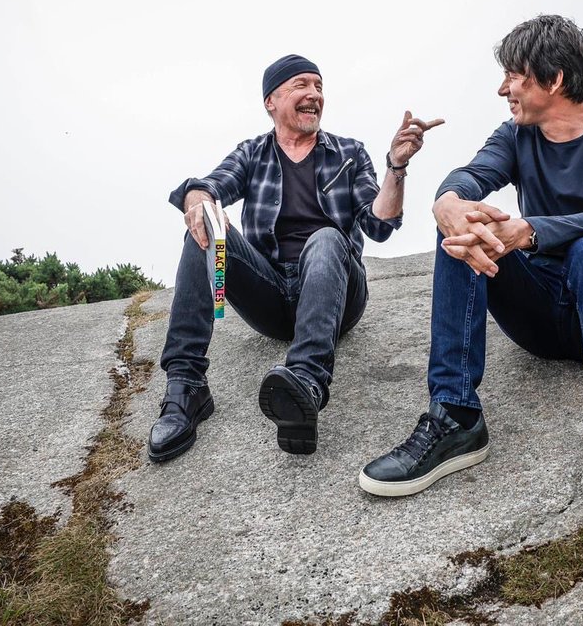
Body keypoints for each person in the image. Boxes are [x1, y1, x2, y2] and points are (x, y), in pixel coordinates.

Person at [358, 17, 583, 626]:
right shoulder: (515, 135)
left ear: (553, 78)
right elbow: (469, 177)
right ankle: (455, 415)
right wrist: (450, 203)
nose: (503, 90)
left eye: (513, 77)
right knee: (461, 229)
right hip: (543, 317)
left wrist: (528, 232)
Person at [152, 54, 441, 461]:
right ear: (271, 101)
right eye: (301, 86)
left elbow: (378, 224)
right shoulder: (252, 153)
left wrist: (396, 167)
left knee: (325, 237)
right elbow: (209, 185)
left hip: (335, 292)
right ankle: (187, 386)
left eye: (319, 87)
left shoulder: (348, 152)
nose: (314, 95)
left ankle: (305, 383)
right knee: (206, 225)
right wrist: (198, 199)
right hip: (271, 296)